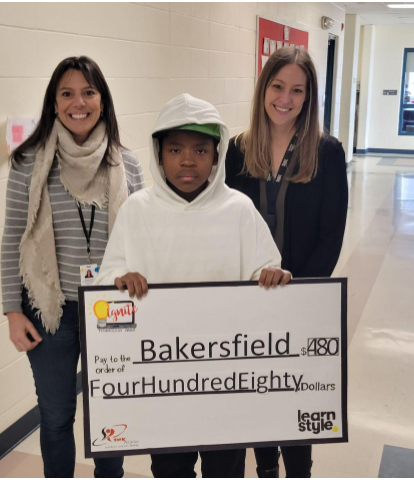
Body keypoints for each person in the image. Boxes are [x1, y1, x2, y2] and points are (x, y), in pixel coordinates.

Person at [95, 93, 291, 478]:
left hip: (226, 384)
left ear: (216, 156)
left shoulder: (238, 210)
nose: (187, 160)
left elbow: (266, 271)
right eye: (175, 150)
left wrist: (272, 277)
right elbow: (106, 288)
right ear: (159, 154)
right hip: (163, 385)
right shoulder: (137, 211)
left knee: (227, 468)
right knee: (170, 469)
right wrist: (119, 282)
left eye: (200, 150)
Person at [1, 56, 143, 478]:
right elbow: (13, 238)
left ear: (103, 100)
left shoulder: (127, 164)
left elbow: (141, 241)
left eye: (88, 92)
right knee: (57, 416)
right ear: (54, 102)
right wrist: (12, 310)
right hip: (50, 311)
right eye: (67, 93)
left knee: (110, 417)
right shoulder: (28, 162)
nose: (77, 102)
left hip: (112, 310)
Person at [223, 45, 349, 479]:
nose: (286, 98)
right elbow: (228, 228)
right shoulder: (237, 151)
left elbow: (331, 237)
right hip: (251, 299)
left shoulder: (327, 153)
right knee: (260, 394)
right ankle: (265, 470)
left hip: (301, 299)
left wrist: (296, 291)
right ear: (263, 89)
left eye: (298, 90)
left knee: (295, 399)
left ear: (309, 96)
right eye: (278, 86)